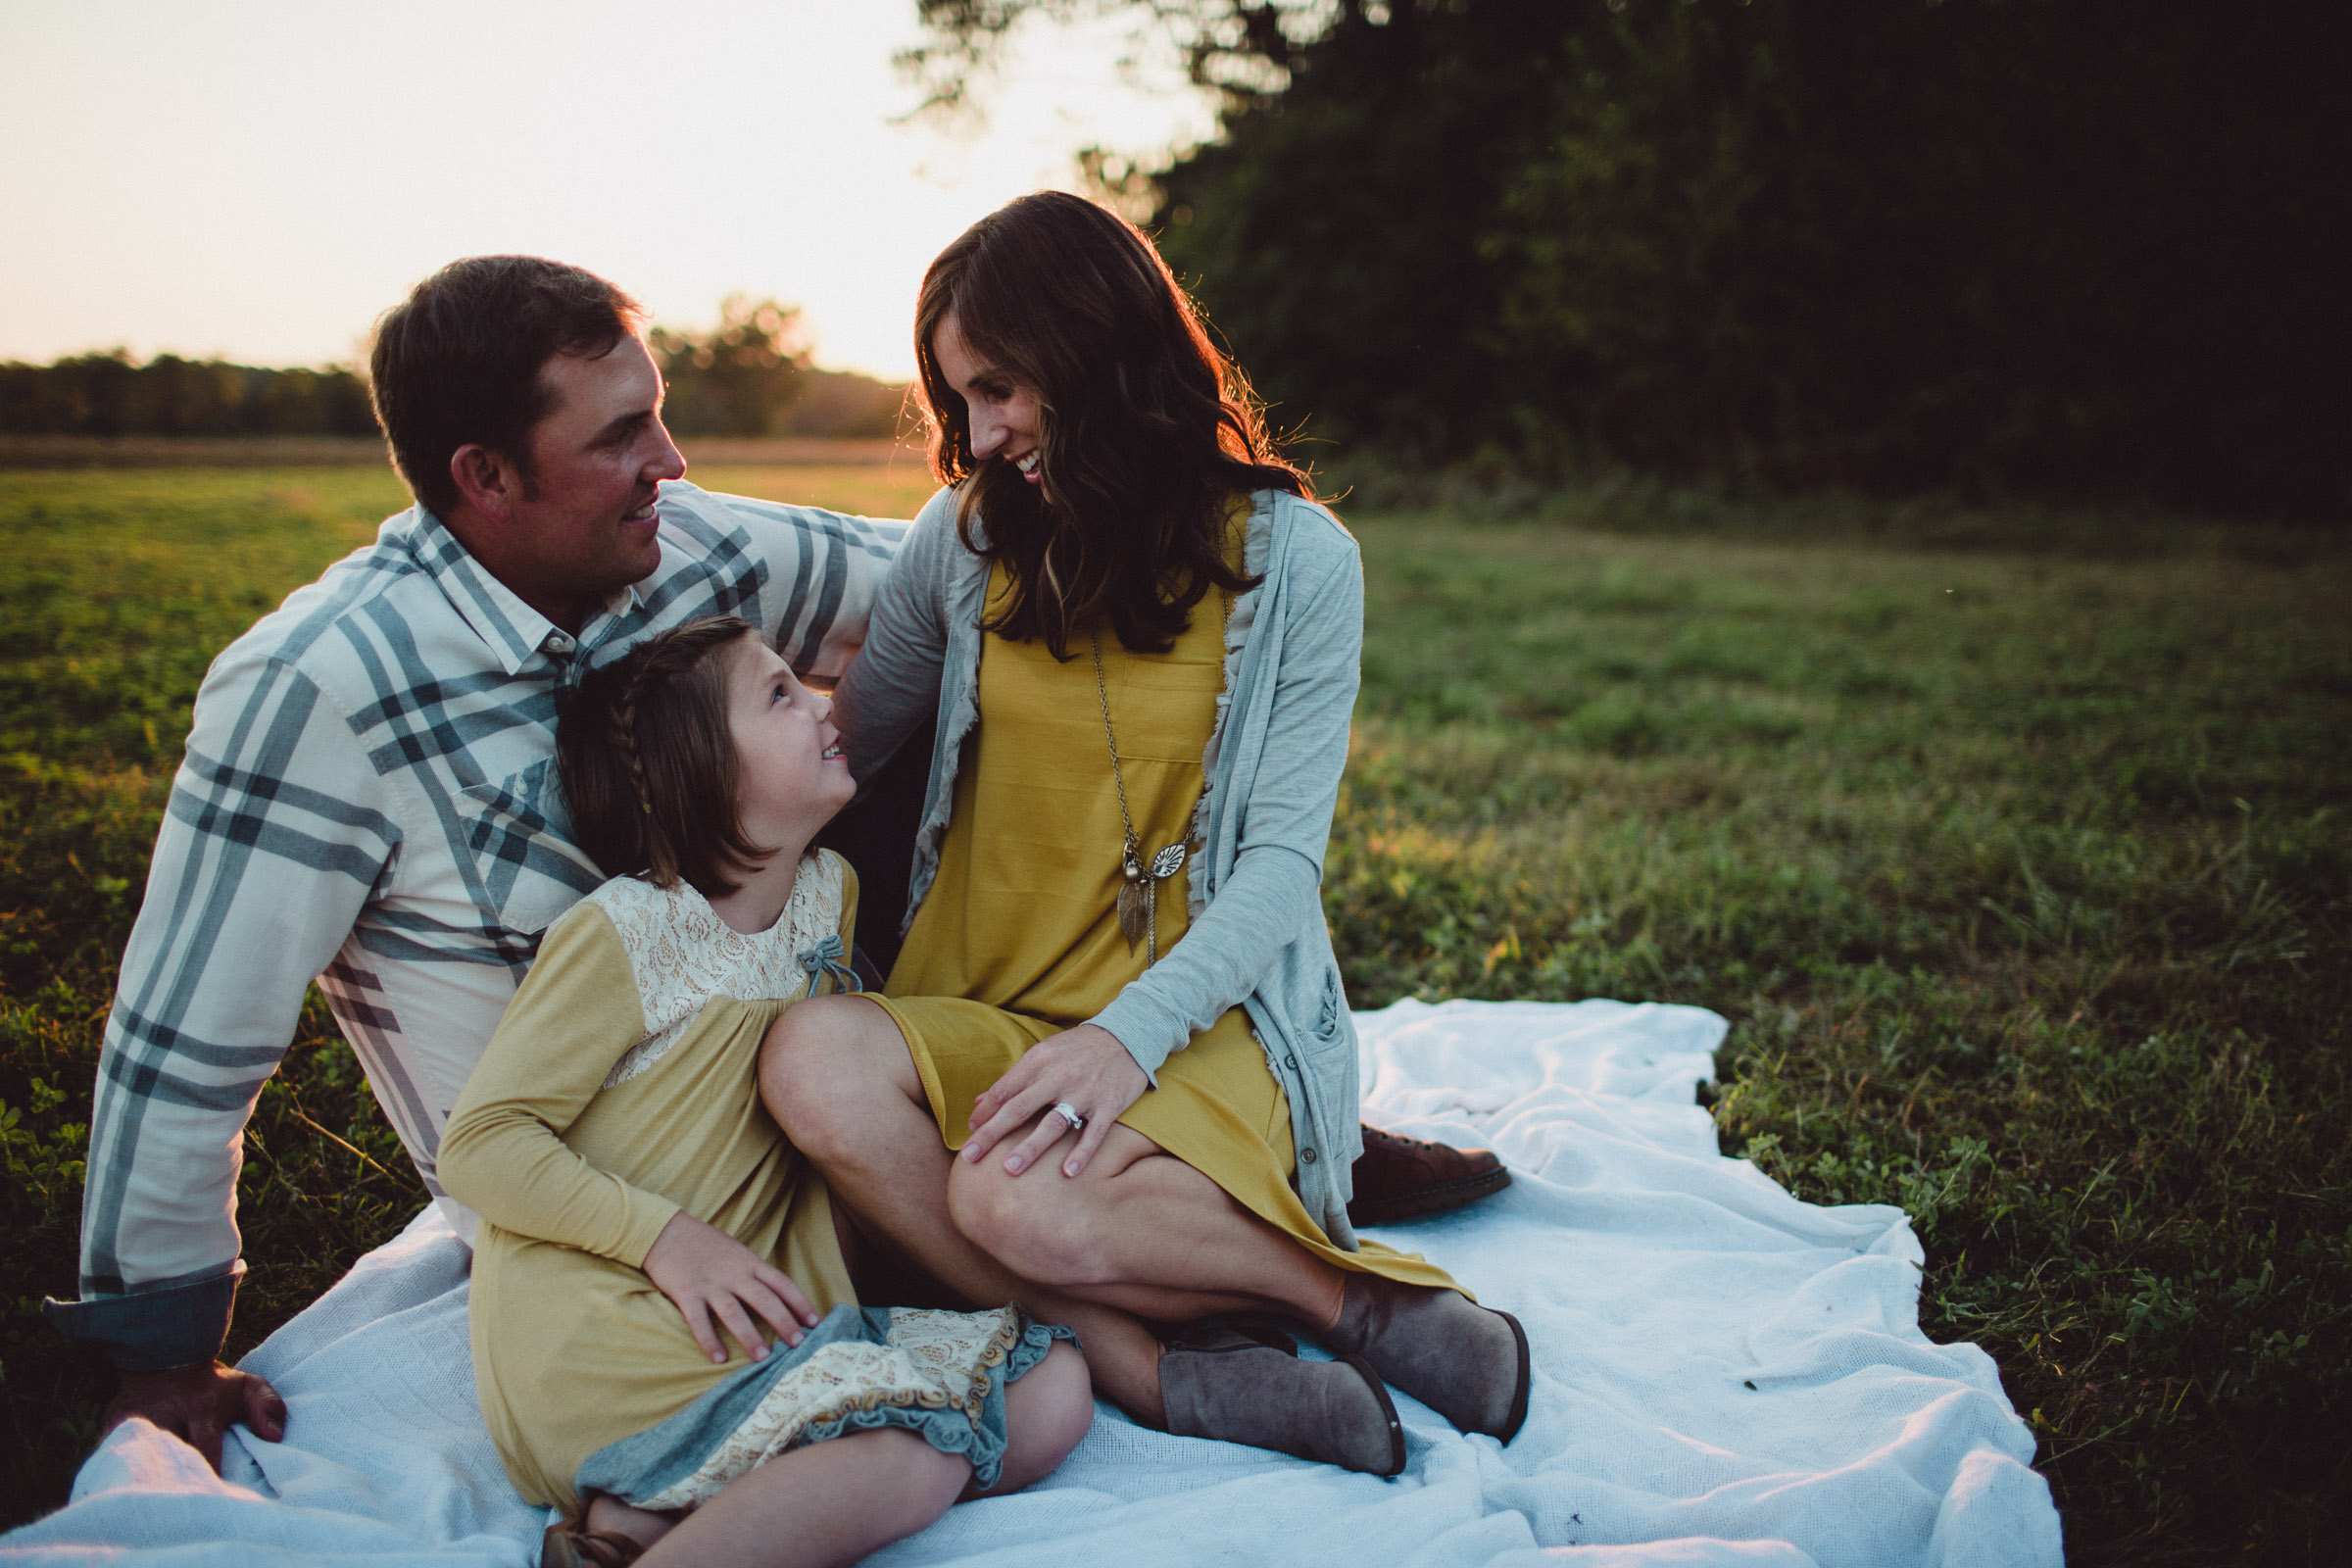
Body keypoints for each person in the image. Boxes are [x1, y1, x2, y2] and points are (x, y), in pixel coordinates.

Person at [43, 257, 905, 1465]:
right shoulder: (321, 689)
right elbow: (189, 1038)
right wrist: (166, 1351)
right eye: (622, 434)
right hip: (602, 1220)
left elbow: (931, 581)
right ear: (485, 478)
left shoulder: (692, 542)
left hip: (844, 1126)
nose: (673, 460)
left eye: (658, 409)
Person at [760, 193, 1532, 1475]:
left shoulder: (1302, 563)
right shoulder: (962, 545)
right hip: (991, 1013)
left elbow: (1284, 864)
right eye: (959, 402)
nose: (979, 436)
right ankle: (1148, 1361)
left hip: (1202, 1031)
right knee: (808, 1062)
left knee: (1006, 1201)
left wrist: (1127, 1041)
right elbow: (851, 748)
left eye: (1000, 388)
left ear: (1096, 351)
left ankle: (1367, 1308)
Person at [438, 617, 1090, 1567]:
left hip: (768, 1319)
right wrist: (666, 1239)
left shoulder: (827, 892)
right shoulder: (628, 930)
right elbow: (481, 1144)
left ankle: (638, 1524)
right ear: (696, 772)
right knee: (913, 1455)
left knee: (1054, 1389)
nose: (823, 705)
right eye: (779, 694)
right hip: (612, 1327)